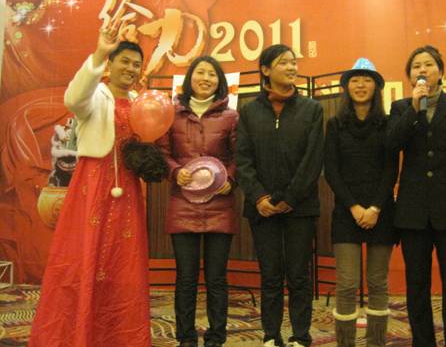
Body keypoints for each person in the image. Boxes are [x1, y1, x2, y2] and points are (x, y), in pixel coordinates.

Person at [28, 25, 151, 346]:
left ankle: (118, 336)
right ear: (110, 64)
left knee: (123, 262)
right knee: (85, 257)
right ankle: (79, 333)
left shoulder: (140, 101)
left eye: (136, 64)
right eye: (125, 61)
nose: (131, 69)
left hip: (127, 188)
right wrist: (98, 53)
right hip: (93, 185)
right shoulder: (96, 95)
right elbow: (73, 98)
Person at [388, 45, 446, 347]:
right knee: (417, 284)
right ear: (409, 75)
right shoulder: (401, 108)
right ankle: (423, 341)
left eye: (428, 64)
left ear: (440, 71)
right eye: (416, 66)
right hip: (412, 212)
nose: (422, 70)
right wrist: (414, 108)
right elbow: (391, 144)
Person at [236, 44, 324, 347]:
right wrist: (259, 197)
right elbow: (243, 159)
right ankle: (271, 336)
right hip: (261, 208)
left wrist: (290, 197)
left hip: (300, 207)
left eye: (293, 62)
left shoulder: (312, 109)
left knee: (299, 275)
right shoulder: (249, 111)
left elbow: (313, 160)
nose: (291, 67)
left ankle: (301, 336)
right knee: (270, 275)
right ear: (265, 70)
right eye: (284, 62)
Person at [156, 56, 238, 347]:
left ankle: (216, 338)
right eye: (200, 72)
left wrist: (230, 179)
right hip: (183, 204)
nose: (206, 78)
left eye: (212, 74)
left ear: (219, 81)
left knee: (217, 278)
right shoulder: (171, 113)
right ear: (190, 78)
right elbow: (162, 153)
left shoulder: (231, 116)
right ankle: (186, 338)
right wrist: (174, 172)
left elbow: (239, 156)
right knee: (186, 278)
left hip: (220, 205)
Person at [324, 58, 398, 347]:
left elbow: (391, 170)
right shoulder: (335, 124)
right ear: (346, 87)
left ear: (376, 87)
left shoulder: (388, 124)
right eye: (355, 80)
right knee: (346, 284)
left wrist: (375, 208)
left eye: (367, 80)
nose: (360, 85)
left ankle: (375, 343)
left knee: (378, 282)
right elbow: (332, 170)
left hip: (381, 212)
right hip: (347, 213)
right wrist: (354, 207)